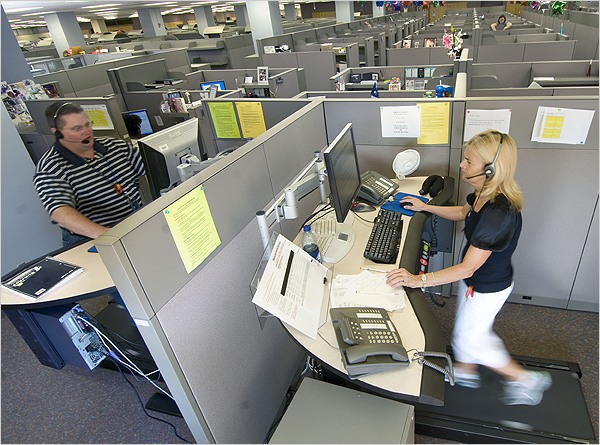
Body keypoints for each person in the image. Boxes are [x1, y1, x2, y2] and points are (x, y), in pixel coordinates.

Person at [385, 130, 552, 406]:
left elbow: (466, 268)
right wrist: (425, 207)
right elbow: (464, 213)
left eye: (468, 162)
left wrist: (417, 280)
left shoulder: (499, 213)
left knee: (471, 338)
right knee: (468, 333)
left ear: (489, 169)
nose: (462, 165)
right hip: (476, 281)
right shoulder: (483, 193)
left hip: (486, 286)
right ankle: (466, 371)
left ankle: (526, 380)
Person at [34, 102, 146, 247]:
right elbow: (60, 213)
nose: (86, 131)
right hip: (92, 239)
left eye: (87, 124)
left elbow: (152, 167)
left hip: (132, 226)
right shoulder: (51, 167)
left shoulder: (114, 146)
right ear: (57, 132)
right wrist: (108, 236)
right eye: (77, 128)